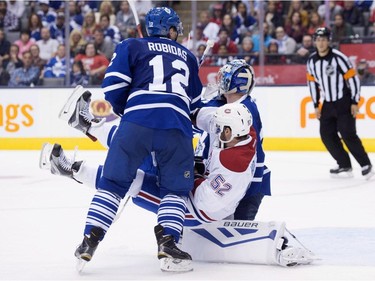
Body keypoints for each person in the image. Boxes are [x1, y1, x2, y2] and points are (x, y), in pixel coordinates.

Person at [40, 102, 314, 268]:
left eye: (224, 132)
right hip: (198, 184)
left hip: (194, 209)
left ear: (237, 133)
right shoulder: (239, 131)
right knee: (143, 152)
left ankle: (72, 166)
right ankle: (90, 127)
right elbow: (210, 119)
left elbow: (205, 201)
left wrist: (184, 171)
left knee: (134, 175)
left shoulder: (234, 165)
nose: (219, 133)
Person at [62, 7, 203, 273]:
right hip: (176, 128)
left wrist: (132, 114)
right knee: (174, 190)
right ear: (171, 30)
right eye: (177, 30)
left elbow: (113, 87)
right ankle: (168, 244)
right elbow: (195, 106)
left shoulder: (131, 45)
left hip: (136, 124)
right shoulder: (188, 56)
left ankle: (89, 242)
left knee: (113, 184)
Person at [193, 59, 271, 221]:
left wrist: (249, 190)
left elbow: (255, 155)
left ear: (235, 83)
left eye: (225, 78)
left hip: (244, 184)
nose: (220, 81)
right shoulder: (226, 104)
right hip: (224, 179)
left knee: (236, 232)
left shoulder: (245, 111)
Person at [306, 27, 373, 179]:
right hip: (327, 103)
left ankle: (366, 165)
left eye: (324, 39)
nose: (321, 43)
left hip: (344, 101)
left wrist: (355, 101)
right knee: (326, 135)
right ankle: (344, 165)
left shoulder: (338, 57)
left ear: (329, 41)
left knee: (348, 133)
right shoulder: (311, 61)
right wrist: (316, 105)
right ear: (315, 41)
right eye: (318, 39)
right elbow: (312, 84)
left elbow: (353, 79)